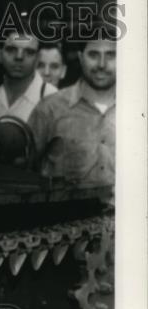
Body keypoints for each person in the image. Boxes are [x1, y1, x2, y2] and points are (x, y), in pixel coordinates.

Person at [27, 27, 116, 191]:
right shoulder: (49, 109)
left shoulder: (138, 110)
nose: (102, 64)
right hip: (64, 215)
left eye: (111, 55)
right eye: (93, 55)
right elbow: (23, 175)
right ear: (81, 58)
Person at [0, 30, 56, 122]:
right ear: (0, 55)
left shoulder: (51, 97)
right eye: (11, 50)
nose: (19, 57)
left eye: (29, 52)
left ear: (38, 59)